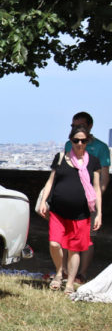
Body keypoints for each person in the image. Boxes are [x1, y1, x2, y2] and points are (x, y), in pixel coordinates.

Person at [37, 125, 103, 294]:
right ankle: (60, 272)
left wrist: (99, 213)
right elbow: (50, 181)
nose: (79, 144)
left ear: (87, 141)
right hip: (58, 212)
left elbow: (96, 188)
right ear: (70, 141)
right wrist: (44, 200)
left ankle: (70, 283)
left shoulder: (93, 161)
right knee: (54, 243)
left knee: (75, 249)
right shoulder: (60, 158)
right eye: (76, 140)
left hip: (81, 213)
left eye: (83, 140)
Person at [61, 111, 110, 281]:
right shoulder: (69, 144)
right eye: (73, 126)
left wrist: (96, 197)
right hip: (70, 198)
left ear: (89, 127)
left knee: (87, 238)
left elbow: (104, 176)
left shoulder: (101, 148)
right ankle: (66, 272)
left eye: (78, 126)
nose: (75, 129)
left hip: (89, 199)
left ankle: (81, 274)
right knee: (67, 236)